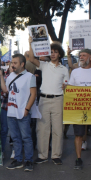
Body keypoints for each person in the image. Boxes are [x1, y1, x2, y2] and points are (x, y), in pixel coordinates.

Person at [28, 38, 69, 166]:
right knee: (42, 129)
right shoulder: (44, 65)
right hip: (44, 100)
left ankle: (56, 155)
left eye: (55, 52)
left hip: (58, 99)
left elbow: (67, 84)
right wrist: (30, 43)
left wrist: (65, 86)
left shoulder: (64, 69)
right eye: (51, 52)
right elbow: (31, 59)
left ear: (60, 54)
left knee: (58, 129)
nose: (52, 54)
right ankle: (42, 155)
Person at [67, 49, 91, 170]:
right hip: (78, 109)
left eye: (84, 55)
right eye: (80, 55)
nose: (81, 57)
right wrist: (66, 87)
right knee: (78, 135)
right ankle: (78, 159)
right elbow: (71, 89)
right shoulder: (75, 72)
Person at [2, 54, 37, 172]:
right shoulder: (10, 76)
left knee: (26, 137)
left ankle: (28, 160)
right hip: (11, 112)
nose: (12, 65)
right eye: (12, 63)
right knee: (15, 138)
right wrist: (0, 77)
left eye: (15, 63)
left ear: (22, 64)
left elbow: (33, 94)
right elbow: (6, 90)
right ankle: (17, 159)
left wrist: (27, 109)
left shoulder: (30, 76)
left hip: (22, 112)